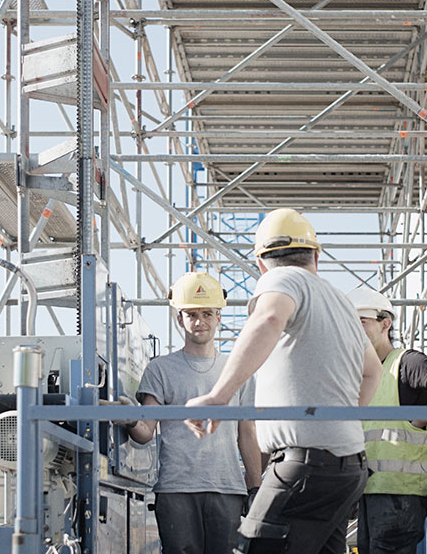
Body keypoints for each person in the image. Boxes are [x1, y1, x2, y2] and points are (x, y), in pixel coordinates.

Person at [184, 208, 383, 554]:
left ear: (261, 263)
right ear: (316, 256)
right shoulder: (340, 302)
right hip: (348, 468)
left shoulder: (283, 279)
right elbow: (372, 371)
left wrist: (219, 395)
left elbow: (270, 318)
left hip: (305, 466)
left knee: (254, 548)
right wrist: (341, 419)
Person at [124, 271, 263, 554]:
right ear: (179, 319)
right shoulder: (160, 369)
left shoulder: (238, 370)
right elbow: (145, 432)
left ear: (218, 317)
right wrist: (126, 417)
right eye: (191, 315)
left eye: (207, 314)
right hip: (176, 490)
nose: (200, 322)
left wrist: (255, 487)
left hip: (228, 489)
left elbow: (247, 433)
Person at [346, 286, 427, 554]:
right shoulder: (363, 375)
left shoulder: (407, 362)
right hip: (373, 492)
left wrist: (419, 421)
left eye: (362, 322)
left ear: (386, 324)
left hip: (400, 496)